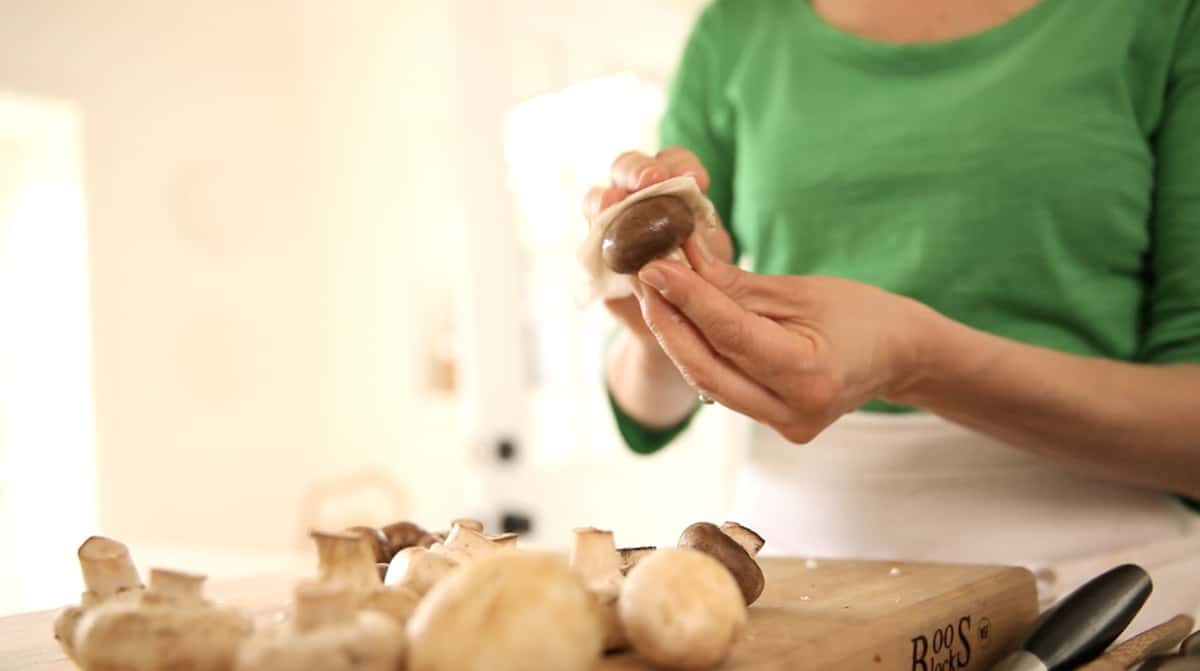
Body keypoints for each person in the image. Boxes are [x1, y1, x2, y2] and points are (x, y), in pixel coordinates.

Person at [584, 0, 1200, 628]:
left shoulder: (1164, 17)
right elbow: (647, 412)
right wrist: (669, 315)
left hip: (1099, 598)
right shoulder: (738, 29)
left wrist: (919, 360)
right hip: (798, 590)